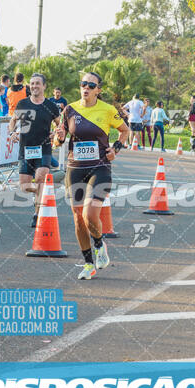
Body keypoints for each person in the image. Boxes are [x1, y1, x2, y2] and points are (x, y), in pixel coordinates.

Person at [54, 72, 129, 280]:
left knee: (89, 214)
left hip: (100, 167)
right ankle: (89, 264)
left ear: (98, 90)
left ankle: (99, 242)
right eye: (83, 84)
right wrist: (59, 139)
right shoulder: (69, 109)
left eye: (90, 85)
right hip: (75, 167)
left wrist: (116, 149)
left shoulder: (107, 110)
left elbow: (125, 130)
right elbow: (59, 140)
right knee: (78, 218)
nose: (85, 87)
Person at [9, 73, 60, 228]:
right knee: (24, 186)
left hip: (43, 148)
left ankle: (37, 214)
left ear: (44, 86)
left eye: (38, 83)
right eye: (32, 83)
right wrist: (12, 133)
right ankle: (41, 193)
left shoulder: (51, 106)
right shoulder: (23, 104)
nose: (34, 86)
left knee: (40, 178)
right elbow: (13, 121)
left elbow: (60, 125)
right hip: (25, 148)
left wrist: (56, 132)